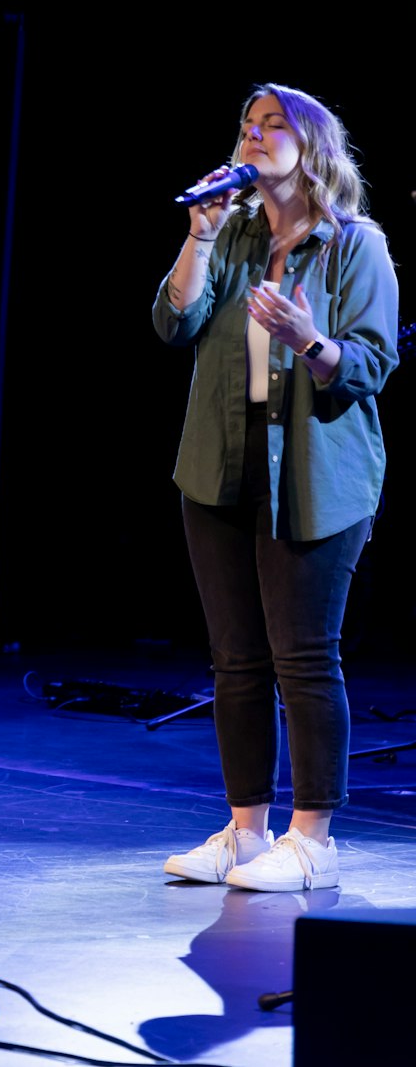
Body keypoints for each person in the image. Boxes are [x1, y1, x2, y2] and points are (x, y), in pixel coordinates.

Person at [152, 83, 399, 893]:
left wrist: (310, 339)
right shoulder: (230, 235)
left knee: (304, 657)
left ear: (312, 147)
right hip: (220, 462)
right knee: (234, 660)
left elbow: (370, 362)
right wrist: (197, 237)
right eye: (247, 126)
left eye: (273, 127)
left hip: (317, 473)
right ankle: (247, 830)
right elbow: (174, 323)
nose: (253, 137)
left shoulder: (354, 244)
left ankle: (314, 840)